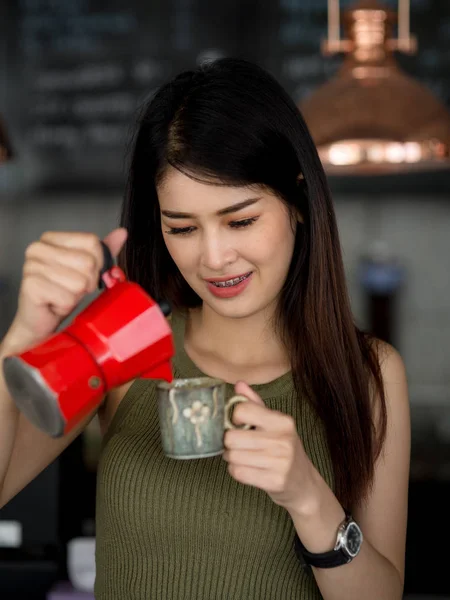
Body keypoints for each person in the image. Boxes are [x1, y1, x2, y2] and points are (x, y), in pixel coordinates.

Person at [0, 58, 410, 600]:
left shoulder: (370, 374)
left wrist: (310, 498)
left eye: (240, 220)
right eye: (183, 227)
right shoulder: (127, 343)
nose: (214, 257)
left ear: (298, 203)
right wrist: (23, 337)